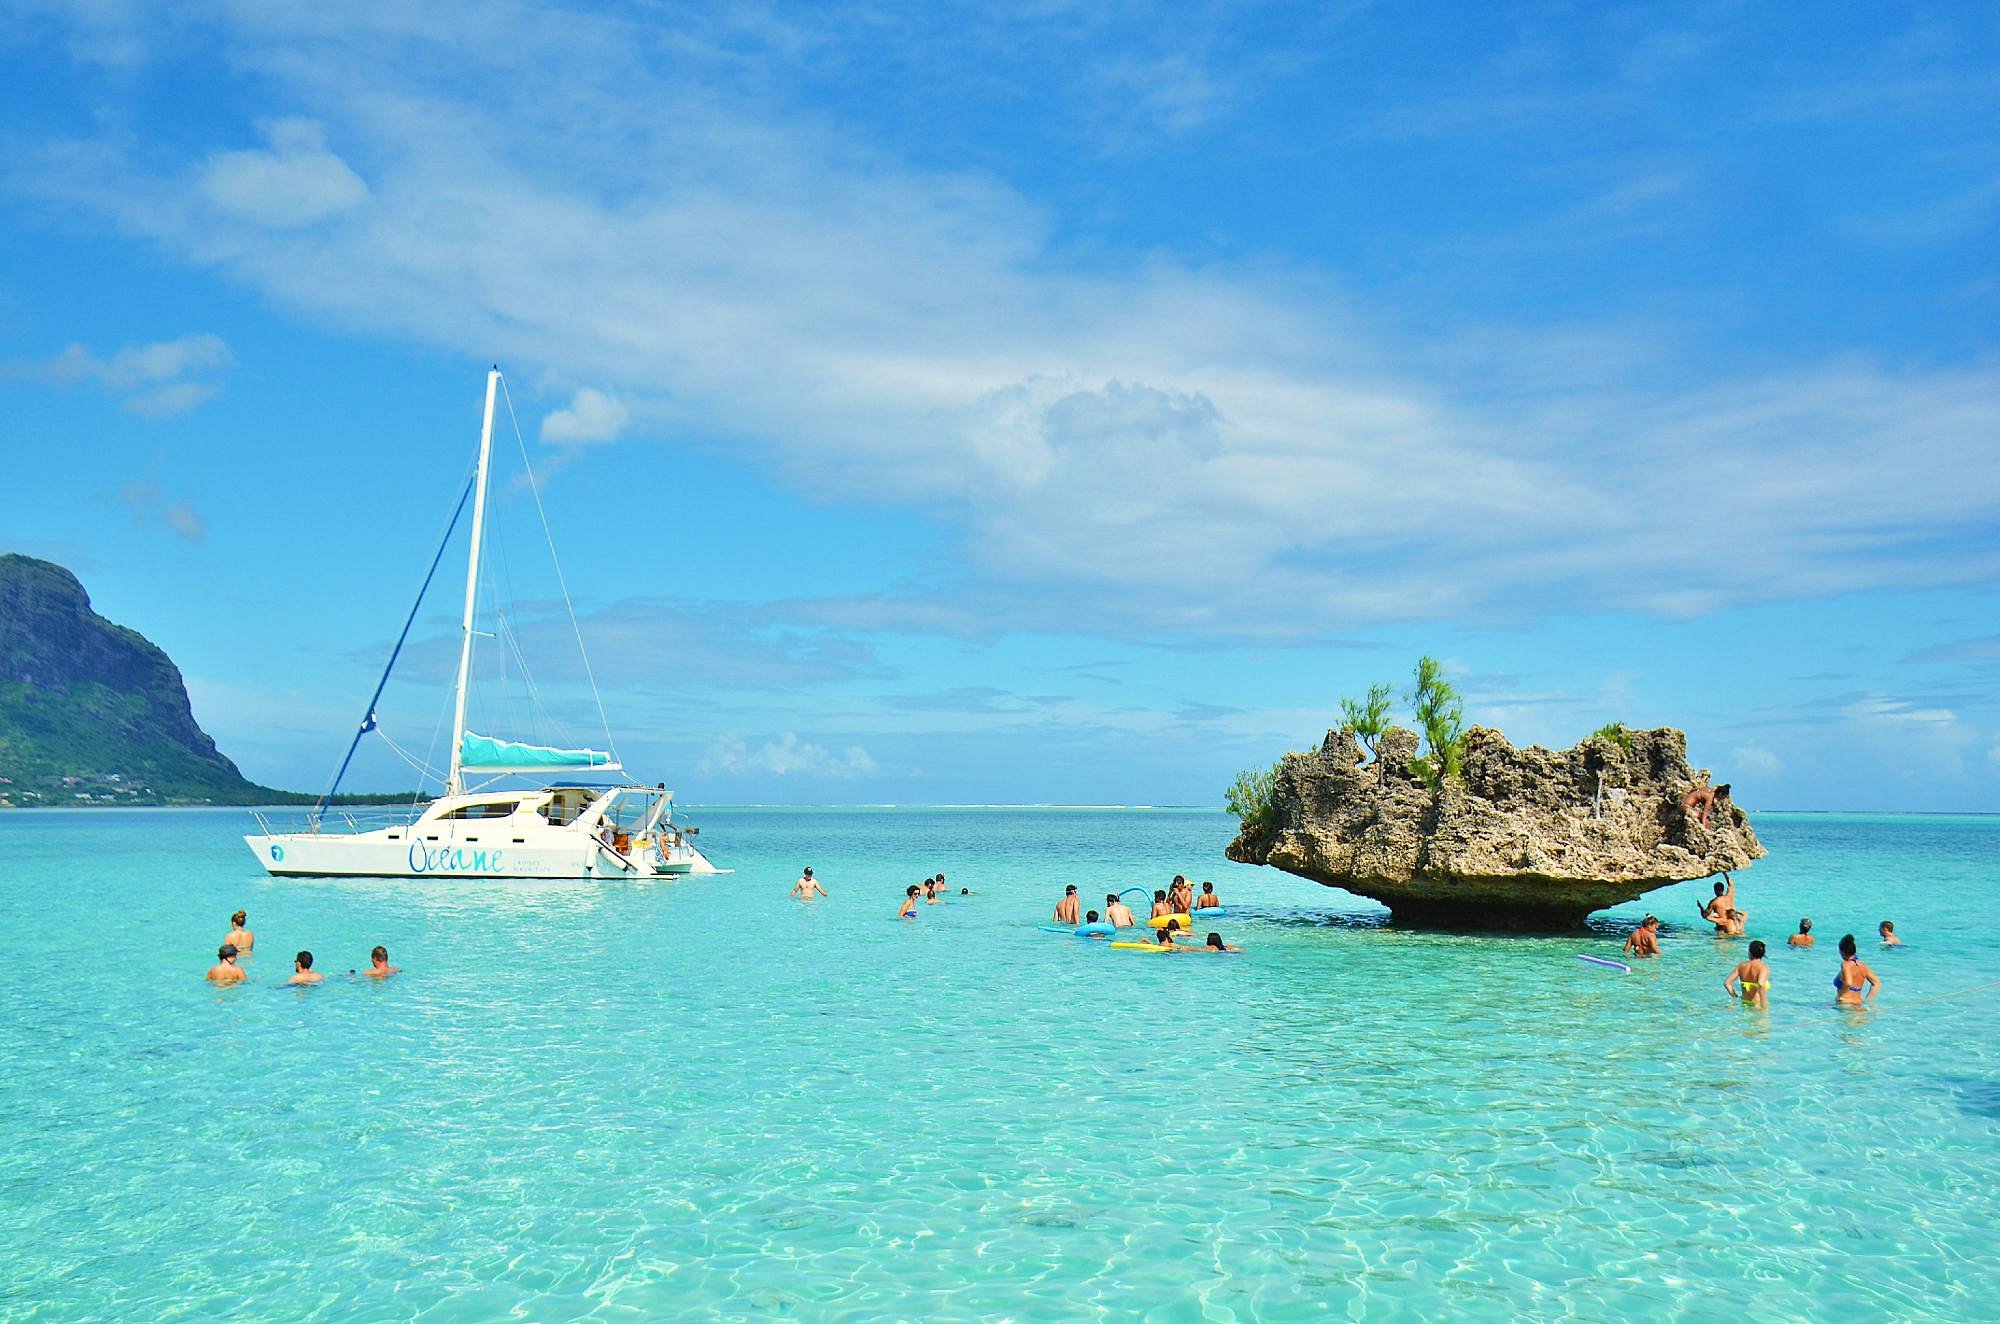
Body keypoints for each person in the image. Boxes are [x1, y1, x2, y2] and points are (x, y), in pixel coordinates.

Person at [1834, 934, 1879, 1006]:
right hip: (1858, 1003)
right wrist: (1867, 1000)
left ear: (1842, 952)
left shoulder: (1845, 964)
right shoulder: (1863, 966)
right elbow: (1876, 983)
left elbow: (1848, 982)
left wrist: (1841, 996)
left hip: (1845, 1003)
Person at [1724, 940, 1770, 1007]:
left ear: (1750, 952)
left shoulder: (1741, 966)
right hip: (1757, 1005)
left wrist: (1735, 997)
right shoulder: (1763, 968)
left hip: (1744, 1003)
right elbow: (1760, 984)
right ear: (1763, 953)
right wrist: (1764, 1006)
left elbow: (1727, 983)